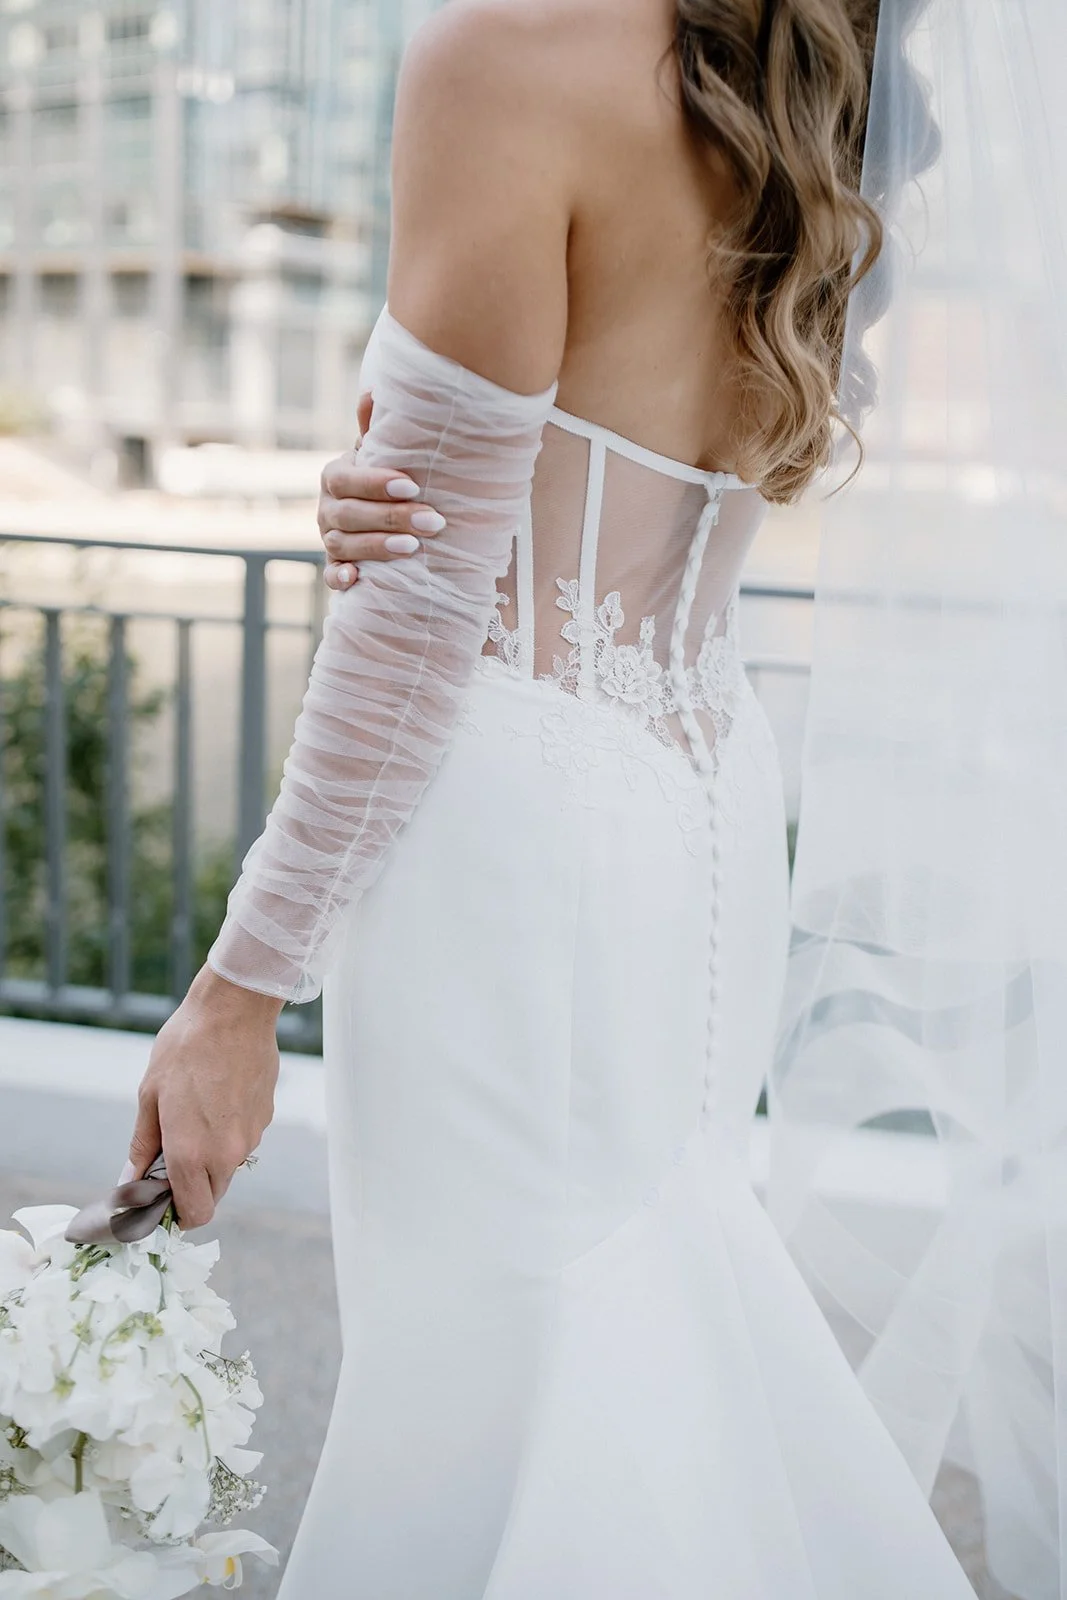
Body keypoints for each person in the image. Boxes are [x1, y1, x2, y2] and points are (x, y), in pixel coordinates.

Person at [128, 0, 984, 1592]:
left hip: (507, 818)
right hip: (704, 799)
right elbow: (632, 455)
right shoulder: (815, 98)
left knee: (496, 1372)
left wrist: (238, 992)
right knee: (636, 1304)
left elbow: (417, 624)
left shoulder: (505, 53)